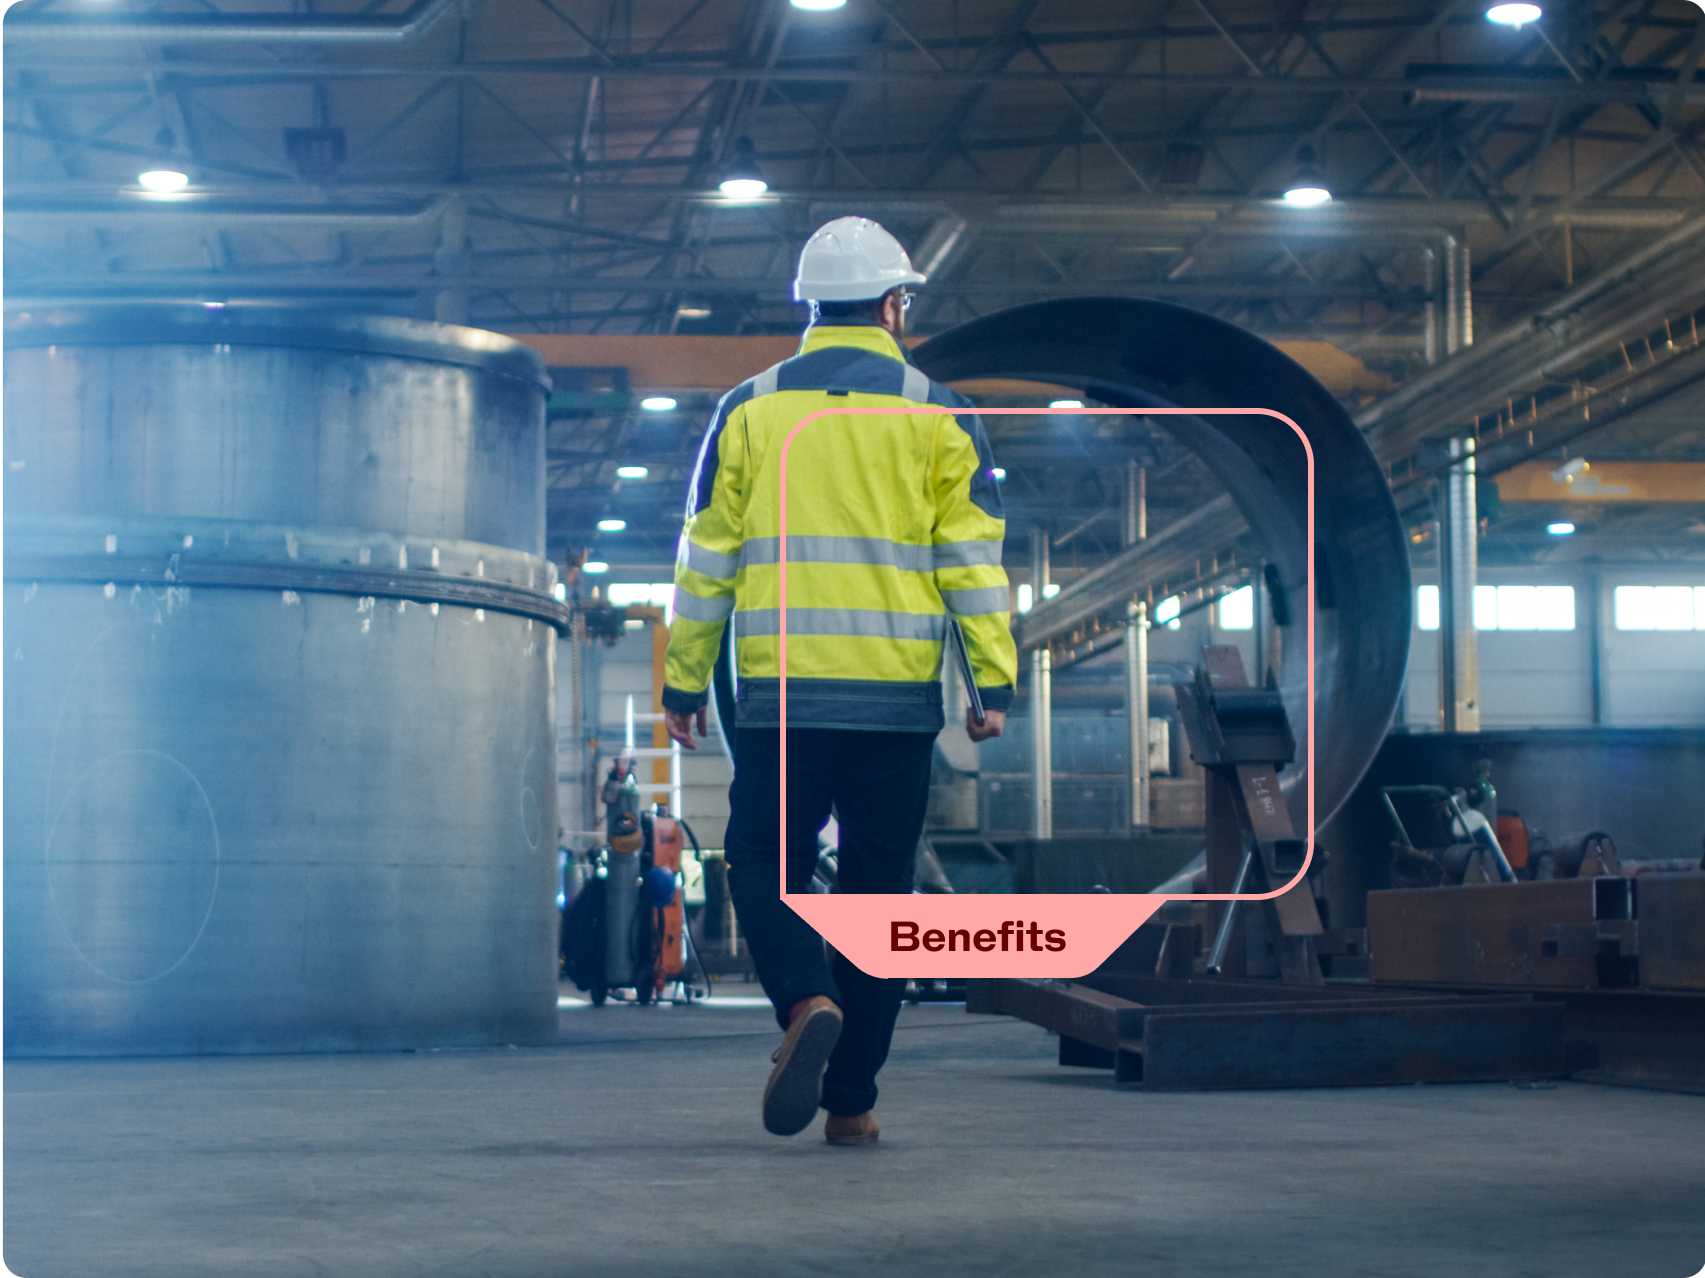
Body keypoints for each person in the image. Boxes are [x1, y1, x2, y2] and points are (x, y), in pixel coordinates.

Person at [660, 216, 1017, 1146]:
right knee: (877, 901)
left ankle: (803, 1001)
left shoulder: (749, 408)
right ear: (894, 305)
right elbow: (971, 562)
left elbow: (705, 563)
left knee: (761, 865)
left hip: (782, 698)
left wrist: (683, 685)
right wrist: (991, 685)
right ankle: (851, 1103)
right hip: (897, 706)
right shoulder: (938, 409)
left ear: (810, 307)